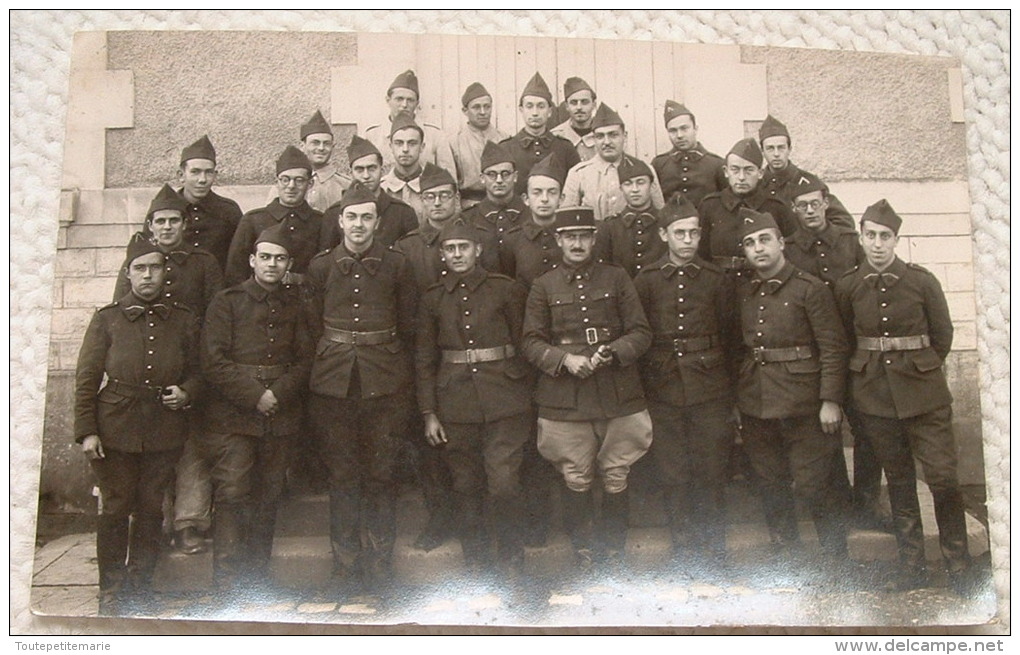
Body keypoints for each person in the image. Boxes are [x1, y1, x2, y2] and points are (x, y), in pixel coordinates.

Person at [834, 200, 973, 593]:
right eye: (870, 236)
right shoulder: (847, 285)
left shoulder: (921, 281)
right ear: (860, 238)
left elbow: (942, 335)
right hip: (874, 397)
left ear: (896, 239)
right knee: (898, 482)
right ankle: (912, 567)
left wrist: (920, 369)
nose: (877, 244)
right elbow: (845, 340)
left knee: (943, 479)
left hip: (926, 397)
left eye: (885, 237)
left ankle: (958, 565)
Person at [522, 206, 653, 570]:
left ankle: (613, 551)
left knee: (616, 472)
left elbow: (641, 332)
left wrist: (614, 351)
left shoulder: (617, 277)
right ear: (558, 240)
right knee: (575, 474)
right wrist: (565, 360)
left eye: (583, 236)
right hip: (566, 397)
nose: (577, 243)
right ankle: (582, 549)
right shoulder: (543, 285)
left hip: (617, 390)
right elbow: (530, 342)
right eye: (570, 237)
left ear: (594, 239)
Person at [74, 237, 201, 614]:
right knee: (115, 508)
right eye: (140, 268)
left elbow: (199, 372)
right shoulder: (106, 319)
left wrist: (186, 391)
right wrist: (87, 431)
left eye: (155, 268)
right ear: (127, 274)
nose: (148, 275)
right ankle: (111, 592)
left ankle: (140, 586)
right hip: (115, 427)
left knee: (150, 508)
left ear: (165, 273)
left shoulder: (182, 319)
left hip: (164, 426)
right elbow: (86, 378)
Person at [305, 183, 417, 590]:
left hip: (385, 382)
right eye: (351, 217)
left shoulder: (398, 265)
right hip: (333, 385)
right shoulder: (320, 267)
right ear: (339, 221)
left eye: (366, 217)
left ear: (378, 222)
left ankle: (380, 564)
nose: (358, 224)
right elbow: (309, 326)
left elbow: (409, 326)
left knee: (382, 473)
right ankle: (346, 566)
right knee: (343, 474)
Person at [415, 220, 533, 575]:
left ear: (478, 250)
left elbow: (525, 345)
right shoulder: (433, 298)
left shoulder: (506, 290)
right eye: (450, 249)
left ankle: (512, 558)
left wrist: (526, 395)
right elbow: (424, 359)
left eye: (463, 247)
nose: (456, 255)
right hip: (455, 402)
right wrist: (428, 412)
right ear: (442, 255)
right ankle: (477, 563)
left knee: (503, 483)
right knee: (465, 484)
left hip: (506, 399)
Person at [734, 207, 851, 566]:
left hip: (804, 404)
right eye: (750, 243)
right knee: (770, 483)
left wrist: (830, 400)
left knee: (815, 485)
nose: (759, 249)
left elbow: (833, 348)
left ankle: (836, 561)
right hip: (757, 402)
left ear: (781, 243)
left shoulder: (809, 288)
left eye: (765, 239)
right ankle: (788, 558)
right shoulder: (743, 290)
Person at [200, 222, 313, 590]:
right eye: (265, 257)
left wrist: (278, 393)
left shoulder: (296, 304)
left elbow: (305, 360)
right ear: (252, 260)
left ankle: (257, 582)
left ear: (289, 264)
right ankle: (229, 585)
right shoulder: (227, 302)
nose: (271, 265)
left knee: (268, 495)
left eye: (280, 259)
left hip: (281, 412)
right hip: (234, 416)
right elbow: (213, 362)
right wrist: (255, 396)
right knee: (233, 492)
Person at [113, 184, 223, 556]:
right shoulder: (138, 262)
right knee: (152, 451)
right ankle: (156, 523)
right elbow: (120, 312)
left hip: (192, 362)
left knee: (193, 448)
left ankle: (190, 523)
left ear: (184, 223)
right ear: (150, 224)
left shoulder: (204, 261)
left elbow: (216, 313)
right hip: (147, 369)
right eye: (160, 221)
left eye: (174, 220)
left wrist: (202, 372)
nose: (167, 227)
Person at [394, 164, 498, 551]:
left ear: (457, 198)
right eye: (430, 197)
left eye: (444, 195)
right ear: (420, 202)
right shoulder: (406, 246)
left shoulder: (481, 238)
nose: (437, 203)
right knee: (430, 445)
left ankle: (478, 523)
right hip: (424, 352)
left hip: (471, 357)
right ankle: (440, 517)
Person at [633, 196, 737, 569]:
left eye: (694, 232)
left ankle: (715, 549)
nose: (688, 240)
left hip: (710, 386)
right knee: (672, 470)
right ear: (664, 235)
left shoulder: (716, 279)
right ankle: (683, 551)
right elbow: (639, 335)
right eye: (680, 233)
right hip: (662, 386)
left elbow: (731, 335)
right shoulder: (645, 279)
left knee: (711, 469)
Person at [783, 173, 888, 533]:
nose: (810, 211)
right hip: (816, 354)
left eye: (815, 203)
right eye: (802, 206)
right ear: (793, 209)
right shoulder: (791, 248)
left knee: (867, 428)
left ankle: (867, 502)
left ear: (826, 202)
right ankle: (838, 503)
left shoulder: (849, 241)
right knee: (824, 431)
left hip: (856, 349)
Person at [697, 138, 798, 278]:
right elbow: (701, 253)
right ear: (726, 172)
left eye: (749, 170)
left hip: (762, 283)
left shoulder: (776, 207)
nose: (741, 177)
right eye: (735, 170)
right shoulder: (710, 205)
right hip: (719, 282)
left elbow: (791, 252)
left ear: (760, 173)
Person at [225, 146, 323, 286]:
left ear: (310, 183)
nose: (291, 186)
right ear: (276, 182)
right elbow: (236, 272)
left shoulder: (320, 221)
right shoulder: (253, 220)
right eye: (285, 179)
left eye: (299, 180)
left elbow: (326, 271)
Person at [562, 103, 665, 221]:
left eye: (613, 135)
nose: (606, 142)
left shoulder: (645, 169)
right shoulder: (578, 174)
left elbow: (661, 215)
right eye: (600, 136)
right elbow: (567, 219)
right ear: (594, 140)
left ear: (624, 137)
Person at [319, 136, 418, 251]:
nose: (366, 176)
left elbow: (411, 256)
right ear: (351, 173)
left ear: (382, 170)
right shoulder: (334, 213)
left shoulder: (403, 212)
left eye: (372, 169)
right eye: (359, 170)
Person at [758, 114, 853, 228]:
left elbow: (844, 222)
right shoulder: (758, 184)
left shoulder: (808, 182)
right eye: (770, 148)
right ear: (762, 151)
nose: (776, 154)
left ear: (789, 149)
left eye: (781, 147)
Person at [166, 135, 243, 271]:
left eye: (208, 172)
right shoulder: (165, 209)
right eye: (195, 172)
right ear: (181, 175)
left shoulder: (229, 211)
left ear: (215, 175)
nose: (202, 179)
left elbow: (238, 259)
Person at [500, 72, 580, 196]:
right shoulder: (506, 149)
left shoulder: (565, 148)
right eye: (529, 106)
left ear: (549, 111)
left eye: (541, 106)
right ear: (521, 110)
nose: (535, 113)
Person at [363, 69, 457, 176]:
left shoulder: (435, 136)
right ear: (388, 100)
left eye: (410, 100)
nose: (404, 105)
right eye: (399, 99)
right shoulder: (372, 136)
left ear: (417, 103)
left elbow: (449, 178)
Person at [499, 152, 567, 287]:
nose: (544, 199)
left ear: (561, 199)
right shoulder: (512, 239)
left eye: (552, 192)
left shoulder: (570, 236)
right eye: (537, 192)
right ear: (526, 199)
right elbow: (509, 283)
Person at [594, 156, 668, 277]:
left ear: (651, 186)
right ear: (621, 189)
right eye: (628, 184)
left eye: (640, 182)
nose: (635, 189)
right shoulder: (610, 226)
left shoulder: (666, 221)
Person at [266, 110, 351, 213]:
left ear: (333, 147)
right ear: (303, 146)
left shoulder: (345, 185)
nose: (321, 148)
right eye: (315, 143)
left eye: (326, 143)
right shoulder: (286, 183)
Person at [651, 100, 726, 209]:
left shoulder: (716, 164)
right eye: (673, 131)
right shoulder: (659, 164)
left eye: (684, 128)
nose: (679, 135)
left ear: (695, 129)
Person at [450, 82, 508, 209]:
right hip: (470, 206)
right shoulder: (455, 142)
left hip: (502, 204)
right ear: (465, 111)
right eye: (476, 107)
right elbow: (452, 185)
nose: (483, 112)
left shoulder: (505, 139)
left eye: (487, 107)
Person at [460, 140, 527, 249]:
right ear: (482, 178)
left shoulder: (529, 214)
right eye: (492, 174)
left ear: (515, 177)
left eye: (505, 174)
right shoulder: (468, 218)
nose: (499, 180)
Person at [380, 114, 429, 223]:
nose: (405, 149)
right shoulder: (381, 188)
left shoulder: (435, 187)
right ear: (390, 147)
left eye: (412, 143)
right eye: (399, 143)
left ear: (422, 147)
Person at [550, 76, 599, 162]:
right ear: (567, 106)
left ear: (594, 105)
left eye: (584, 102)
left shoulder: (605, 134)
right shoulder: (555, 137)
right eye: (574, 103)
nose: (579, 107)